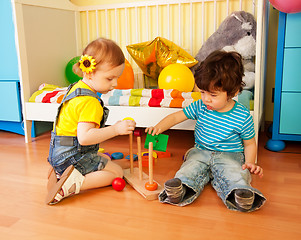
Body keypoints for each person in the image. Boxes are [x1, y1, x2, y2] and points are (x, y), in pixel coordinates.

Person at [146, 50, 266, 212]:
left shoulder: (242, 115)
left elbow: (250, 144)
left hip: (230, 155)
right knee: (189, 167)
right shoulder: (200, 106)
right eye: (202, 92)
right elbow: (176, 117)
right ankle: (180, 188)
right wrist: (158, 127)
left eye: (213, 94)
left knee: (235, 173)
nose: (206, 99)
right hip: (200, 151)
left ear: (233, 92)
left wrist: (250, 163)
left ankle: (240, 193)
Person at [46, 38, 136, 205]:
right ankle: (70, 184)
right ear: (89, 72)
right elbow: (85, 138)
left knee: (104, 158)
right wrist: (116, 129)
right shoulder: (90, 102)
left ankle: (61, 172)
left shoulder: (76, 87)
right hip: (72, 155)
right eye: (110, 78)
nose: (115, 83)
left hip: (58, 152)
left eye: (117, 78)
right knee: (116, 173)